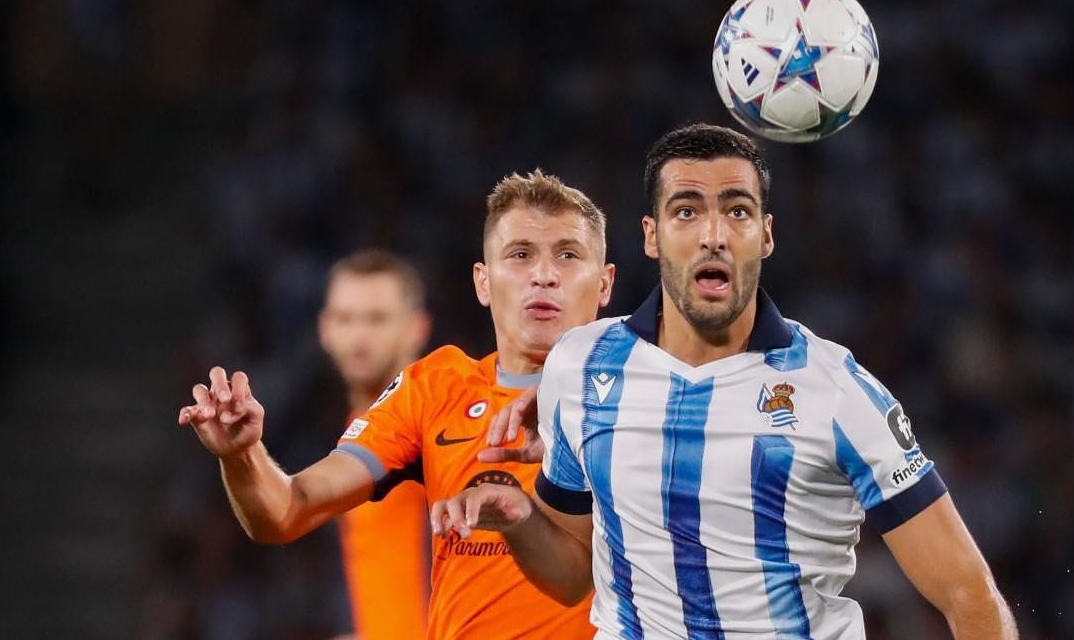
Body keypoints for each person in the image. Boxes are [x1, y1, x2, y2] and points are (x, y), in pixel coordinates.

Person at [432, 125, 1019, 639]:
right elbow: (568, 575)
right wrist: (519, 519)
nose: (713, 233)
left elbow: (968, 595)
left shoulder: (834, 390)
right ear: (651, 235)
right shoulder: (579, 367)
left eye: (736, 210)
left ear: (764, 235)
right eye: (686, 210)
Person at [178, 170, 615, 639]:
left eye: (568, 255)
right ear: (482, 283)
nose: (544, 275)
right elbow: (288, 509)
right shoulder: (434, 390)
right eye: (520, 255)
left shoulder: (649, 391)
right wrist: (240, 455)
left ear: (605, 284)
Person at [318, 249, 432, 639]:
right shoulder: (359, 429)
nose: (359, 336)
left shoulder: (438, 421)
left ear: (417, 327)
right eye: (346, 319)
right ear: (325, 329)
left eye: (377, 319)